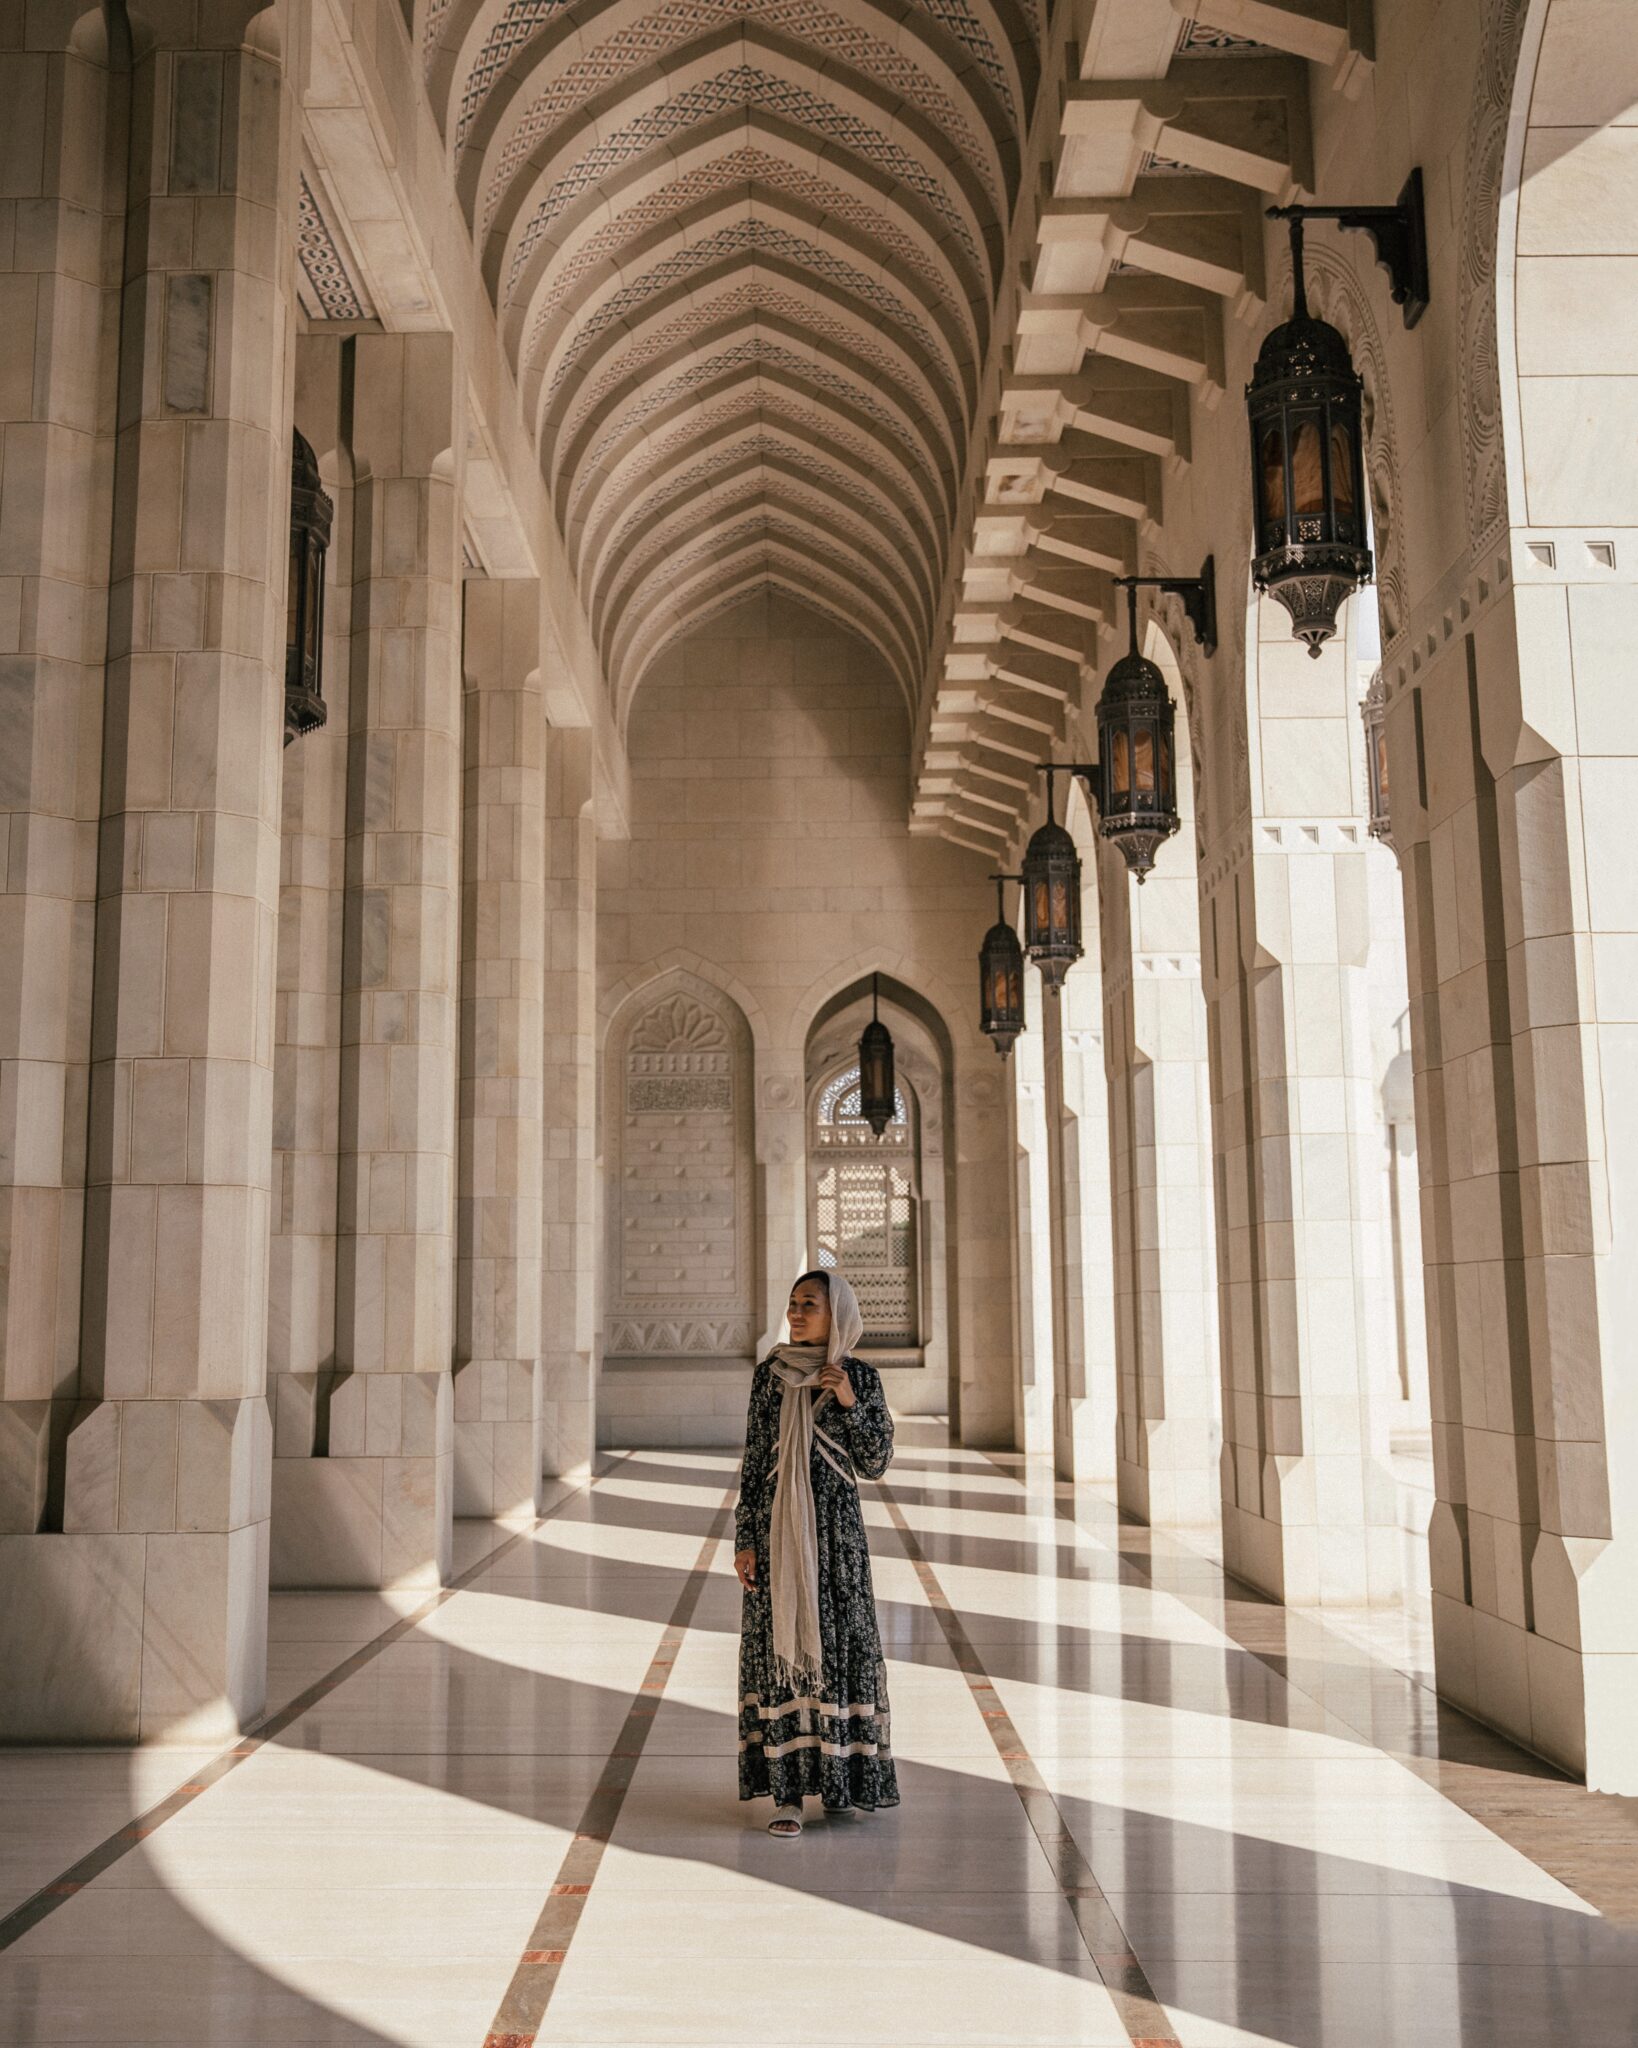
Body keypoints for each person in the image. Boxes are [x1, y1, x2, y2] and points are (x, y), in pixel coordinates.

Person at [733, 1269, 898, 1836]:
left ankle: (839, 1784)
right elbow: (756, 1466)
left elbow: (875, 1463)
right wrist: (745, 1540)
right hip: (781, 1541)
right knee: (782, 1649)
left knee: (837, 1651)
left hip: (837, 1542)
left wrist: (849, 1401)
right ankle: (786, 1796)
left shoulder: (859, 1378)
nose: (797, 1313)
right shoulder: (770, 1377)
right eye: (793, 1303)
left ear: (837, 1316)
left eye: (811, 1305)